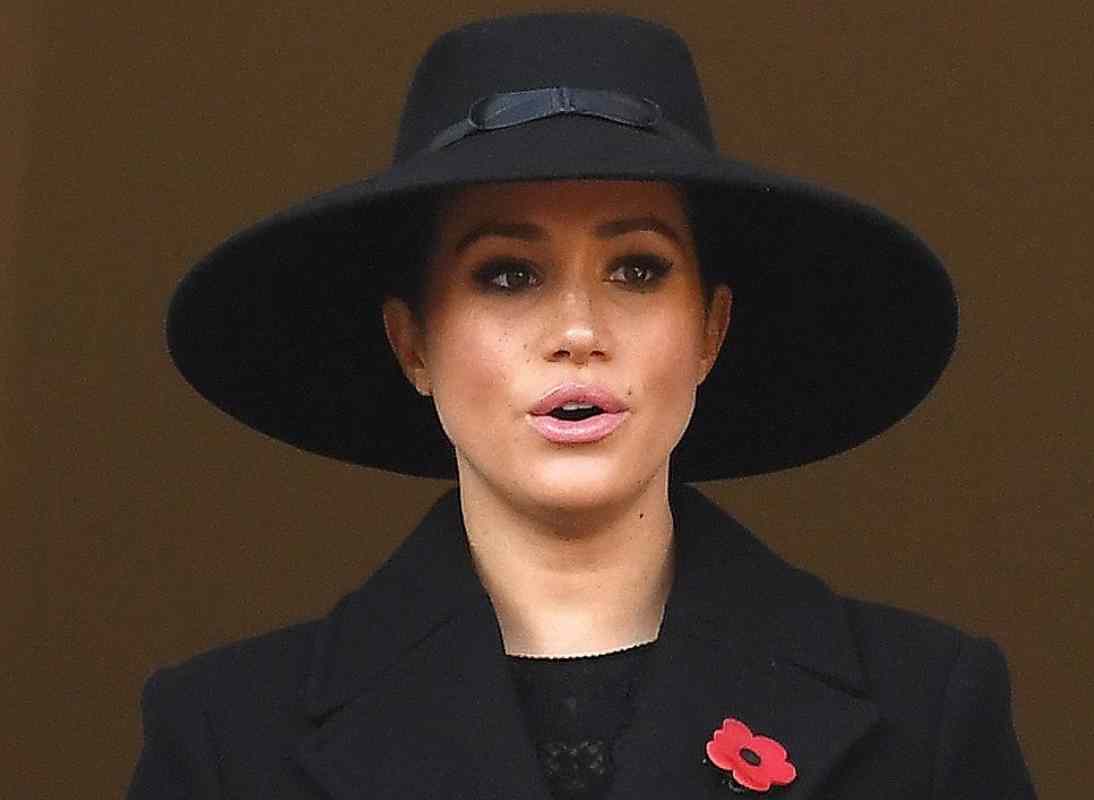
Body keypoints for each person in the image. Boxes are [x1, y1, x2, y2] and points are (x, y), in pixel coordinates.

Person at [129, 11, 1036, 800]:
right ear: (413, 343)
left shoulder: (925, 716)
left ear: (711, 330)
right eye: (507, 274)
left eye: (637, 269)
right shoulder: (226, 741)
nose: (577, 330)